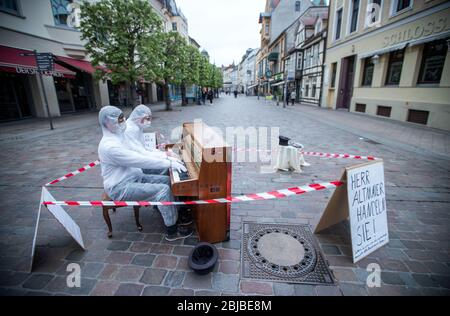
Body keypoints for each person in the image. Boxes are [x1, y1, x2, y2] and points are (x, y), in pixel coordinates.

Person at [98, 106, 192, 241]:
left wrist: (166, 157)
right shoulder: (110, 146)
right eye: (119, 120)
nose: (124, 121)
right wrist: (168, 162)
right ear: (108, 123)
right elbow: (140, 160)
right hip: (120, 187)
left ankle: (172, 213)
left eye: (123, 118)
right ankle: (172, 230)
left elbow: (141, 150)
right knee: (163, 190)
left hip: (135, 177)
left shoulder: (119, 137)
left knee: (167, 181)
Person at [123, 104, 174, 175]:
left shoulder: (137, 127)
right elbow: (140, 152)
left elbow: (144, 148)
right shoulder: (130, 129)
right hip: (135, 167)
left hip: (139, 161)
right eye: (147, 119)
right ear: (139, 117)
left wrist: (160, 153)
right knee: (167, 168)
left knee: (167, 165)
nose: (149, 121)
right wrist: (164, 155)